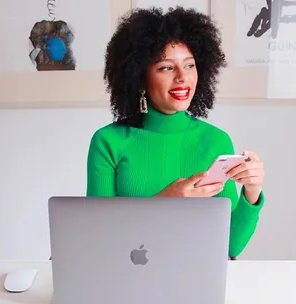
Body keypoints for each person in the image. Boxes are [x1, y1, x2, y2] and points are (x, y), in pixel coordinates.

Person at [86, 6, 265, 259]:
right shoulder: (108, 142)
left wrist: (252, 190)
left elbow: (230, 247)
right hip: (125, 278)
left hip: (196, 279)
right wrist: (164, 202)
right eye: (166, 68)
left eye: (190, 65)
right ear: (139, 77)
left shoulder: (215, 141)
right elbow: (97, 237)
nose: (183, 77)